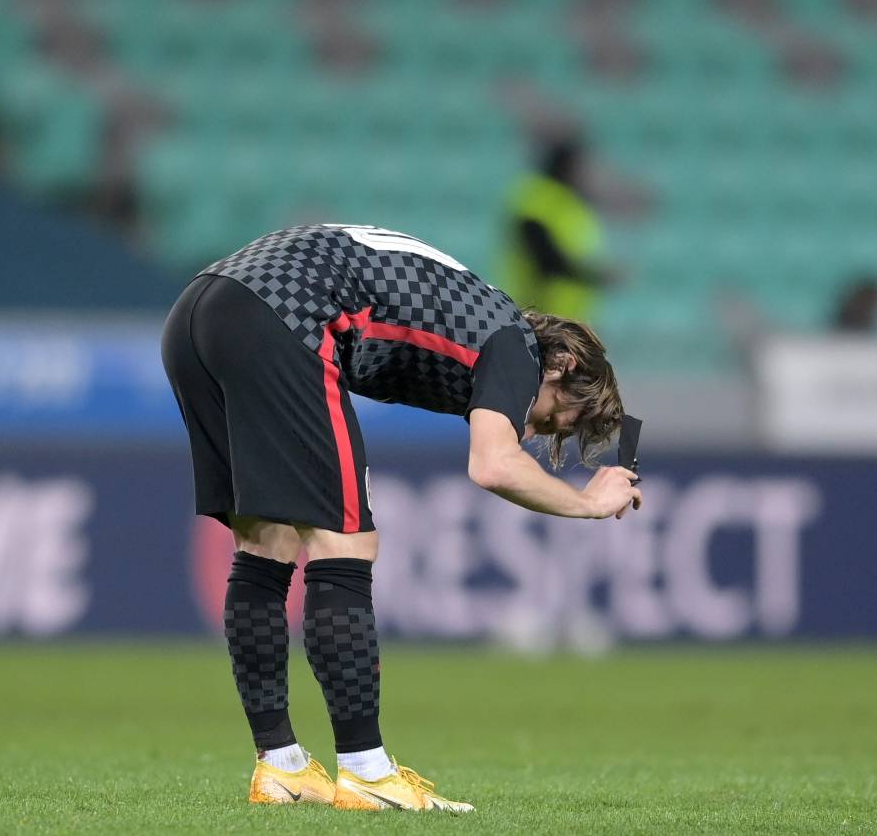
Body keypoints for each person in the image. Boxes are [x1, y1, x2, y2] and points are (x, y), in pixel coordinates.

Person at [160, 223, 642, 811]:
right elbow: (494, 464)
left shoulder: (474, 315)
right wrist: (589, 503)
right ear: (563, 362)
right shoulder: (515, 342)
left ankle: (281, 764)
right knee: (346, 542)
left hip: (199, 309)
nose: (535, 428)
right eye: (556, 416)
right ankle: (366, 771)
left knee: (266, 540)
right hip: (285, 316)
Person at [497, 138, 612, 322]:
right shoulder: (537, 199)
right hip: (536, 319)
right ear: (568, 167)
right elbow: (546, 258)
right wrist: (593, 276)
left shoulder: (571, 205)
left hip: (565, 320)